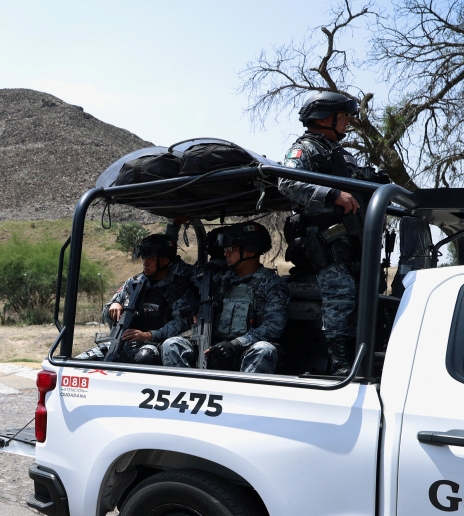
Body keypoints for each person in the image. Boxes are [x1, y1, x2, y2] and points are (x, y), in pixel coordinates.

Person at [277, 91, 386, 375]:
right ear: (325, 119)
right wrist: (332, 194)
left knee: (367, 296)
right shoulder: (304, 149)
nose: (348, 123)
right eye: (344, 117)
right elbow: (287, 181)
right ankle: (339, 364)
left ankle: (361, 358)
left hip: (356, 242)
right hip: (327, 243)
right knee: (342, 297)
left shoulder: (342, 153)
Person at [162, 222, 290, 373]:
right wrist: (191, 302)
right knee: (171, 345)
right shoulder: (219, 280)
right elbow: (175, 273)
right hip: (211, 346)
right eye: (225, 249)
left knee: (264, 350)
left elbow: (272, 328)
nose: (225, 254)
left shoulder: (272, 284)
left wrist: (236, 344)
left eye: (231, 249)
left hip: (244, 350)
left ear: (250, 250)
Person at [78, 234, 198, 364]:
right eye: (144, 258)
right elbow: (106, 313)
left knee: (144, 357)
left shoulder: (179, 289)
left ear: (165, 260)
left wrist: (148, 335)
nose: (145, 262)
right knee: (80, 362)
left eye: (151, 258)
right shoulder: (133, 283)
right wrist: (114, 305)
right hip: (120, 346)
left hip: (155, 347)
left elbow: (180, 323)